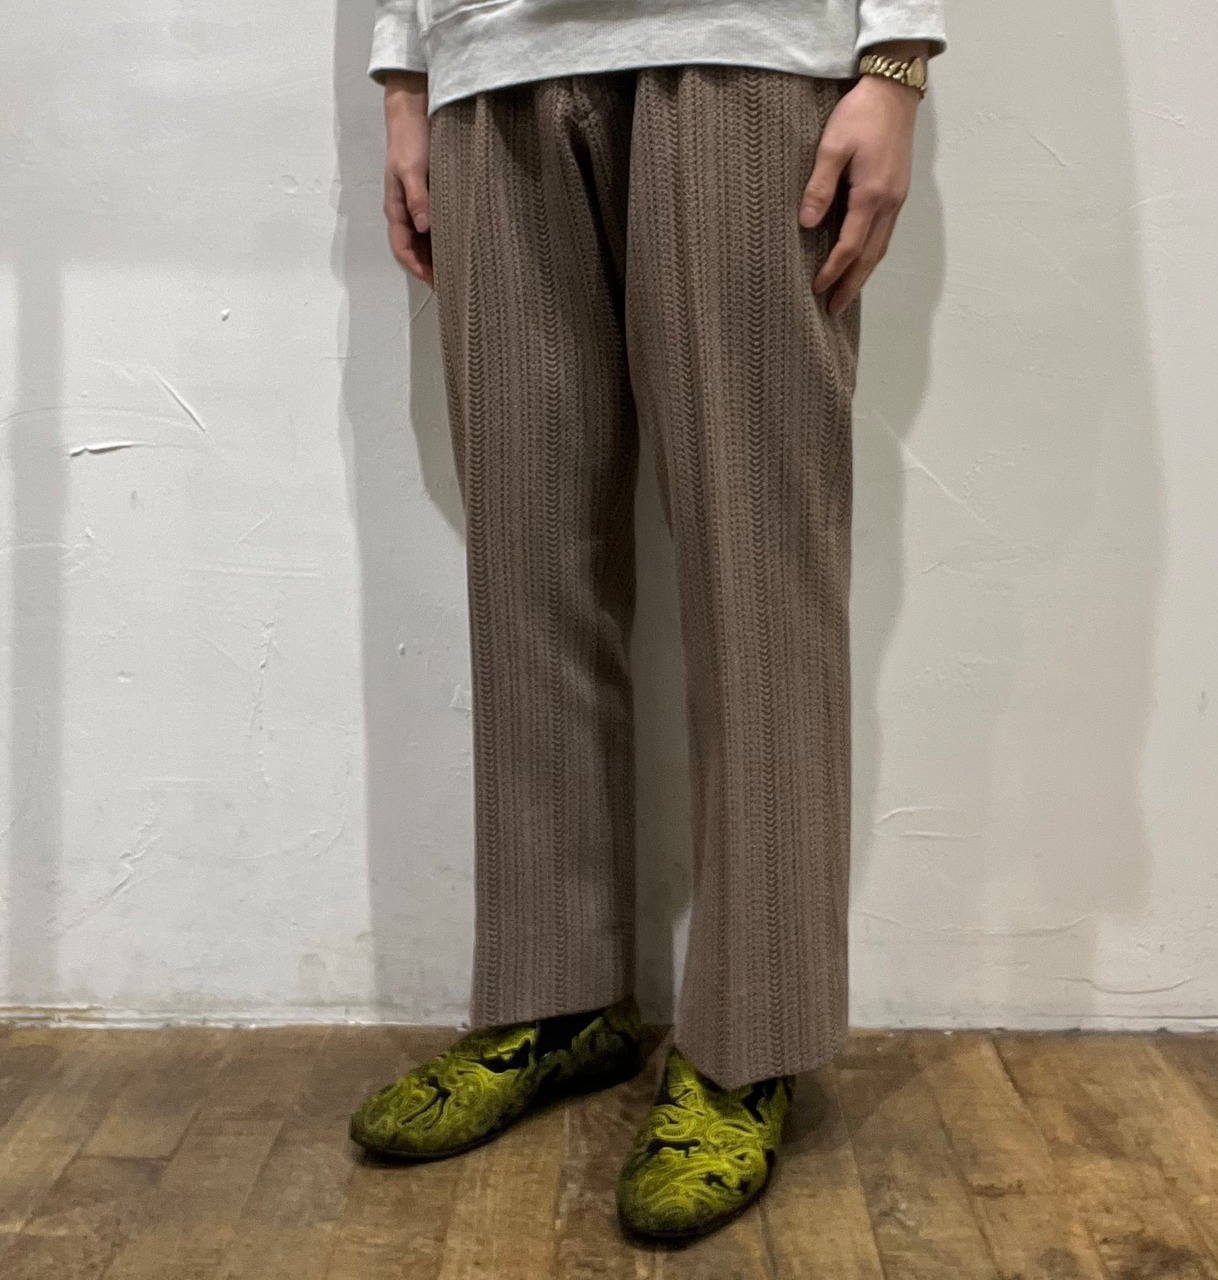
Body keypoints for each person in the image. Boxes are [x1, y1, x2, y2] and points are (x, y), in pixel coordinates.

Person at [348, 0, 945, 1245]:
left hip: (743, 48)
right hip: (488, 60)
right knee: (526, 567)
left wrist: (895, 57)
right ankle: (555, 994)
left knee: (758, 573)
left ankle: (749, 1041)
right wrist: (405, 74)